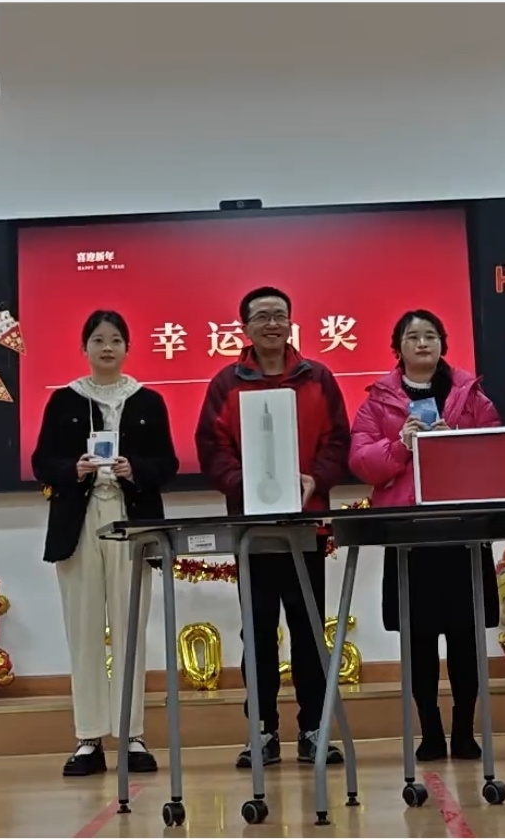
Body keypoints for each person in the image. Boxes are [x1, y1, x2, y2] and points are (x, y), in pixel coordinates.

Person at [194, 286, 352, 769]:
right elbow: (212, 446)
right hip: (252, 531)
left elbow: (338, 440)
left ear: (291, 323)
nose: (272, 324)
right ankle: (261, 731)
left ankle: (313, 729)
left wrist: (315, 480)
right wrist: (246, 486)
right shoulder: (226, 383)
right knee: (258, 633)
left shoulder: (318, 378)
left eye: (280, 315)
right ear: (245, 328)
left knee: (309, 632)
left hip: (306, 527)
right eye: (261, 317)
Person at [348, 310, 501, 762]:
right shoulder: (378, 402)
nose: (422, 343)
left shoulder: (470, 395)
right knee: (418, 640)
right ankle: (430, 732)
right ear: (398, 347)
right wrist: (400, 444)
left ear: (443, 344)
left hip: (463, 531)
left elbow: (496, 450)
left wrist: (456, 443)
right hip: (408, 534)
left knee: (466, 638)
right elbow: (361, 461)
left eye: (430, 335)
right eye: (412, 336)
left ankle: (464, 731)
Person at [32, 309, 179, 778]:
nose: (107, 347)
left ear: (127, 347)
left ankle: (132, 735)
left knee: (130, 624)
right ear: (85, 348)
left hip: (131, 520)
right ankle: (88, 737)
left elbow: (168, 464)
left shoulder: (148, 400)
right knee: (84, 628)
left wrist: (136, 470)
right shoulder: (64, 400)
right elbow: (41, 462)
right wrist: (71, 470)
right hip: (78, 523)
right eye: (98, 340)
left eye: (115, 339)